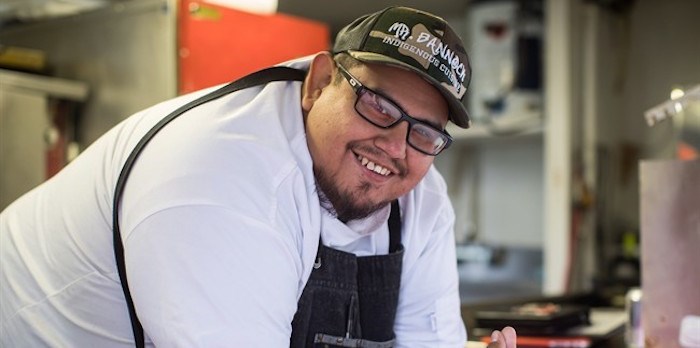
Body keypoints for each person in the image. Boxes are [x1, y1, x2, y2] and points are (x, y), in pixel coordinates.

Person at [0, 6, 516, 348]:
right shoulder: (217, 182)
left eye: (425, 132)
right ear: (318, 83)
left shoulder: (421, 196)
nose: (395, 146)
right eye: (377, 104)